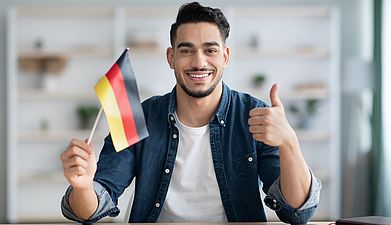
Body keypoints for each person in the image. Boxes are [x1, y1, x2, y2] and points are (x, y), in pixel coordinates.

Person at [60, 2, 321, 224]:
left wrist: (289, 142)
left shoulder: (255, 115)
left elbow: (297, 213)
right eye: (186, 51)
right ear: (171, 57)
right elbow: (90, 211)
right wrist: (83, 186)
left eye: (210, 50)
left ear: (225, 56)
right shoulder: (139, 115)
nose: (199, 62)